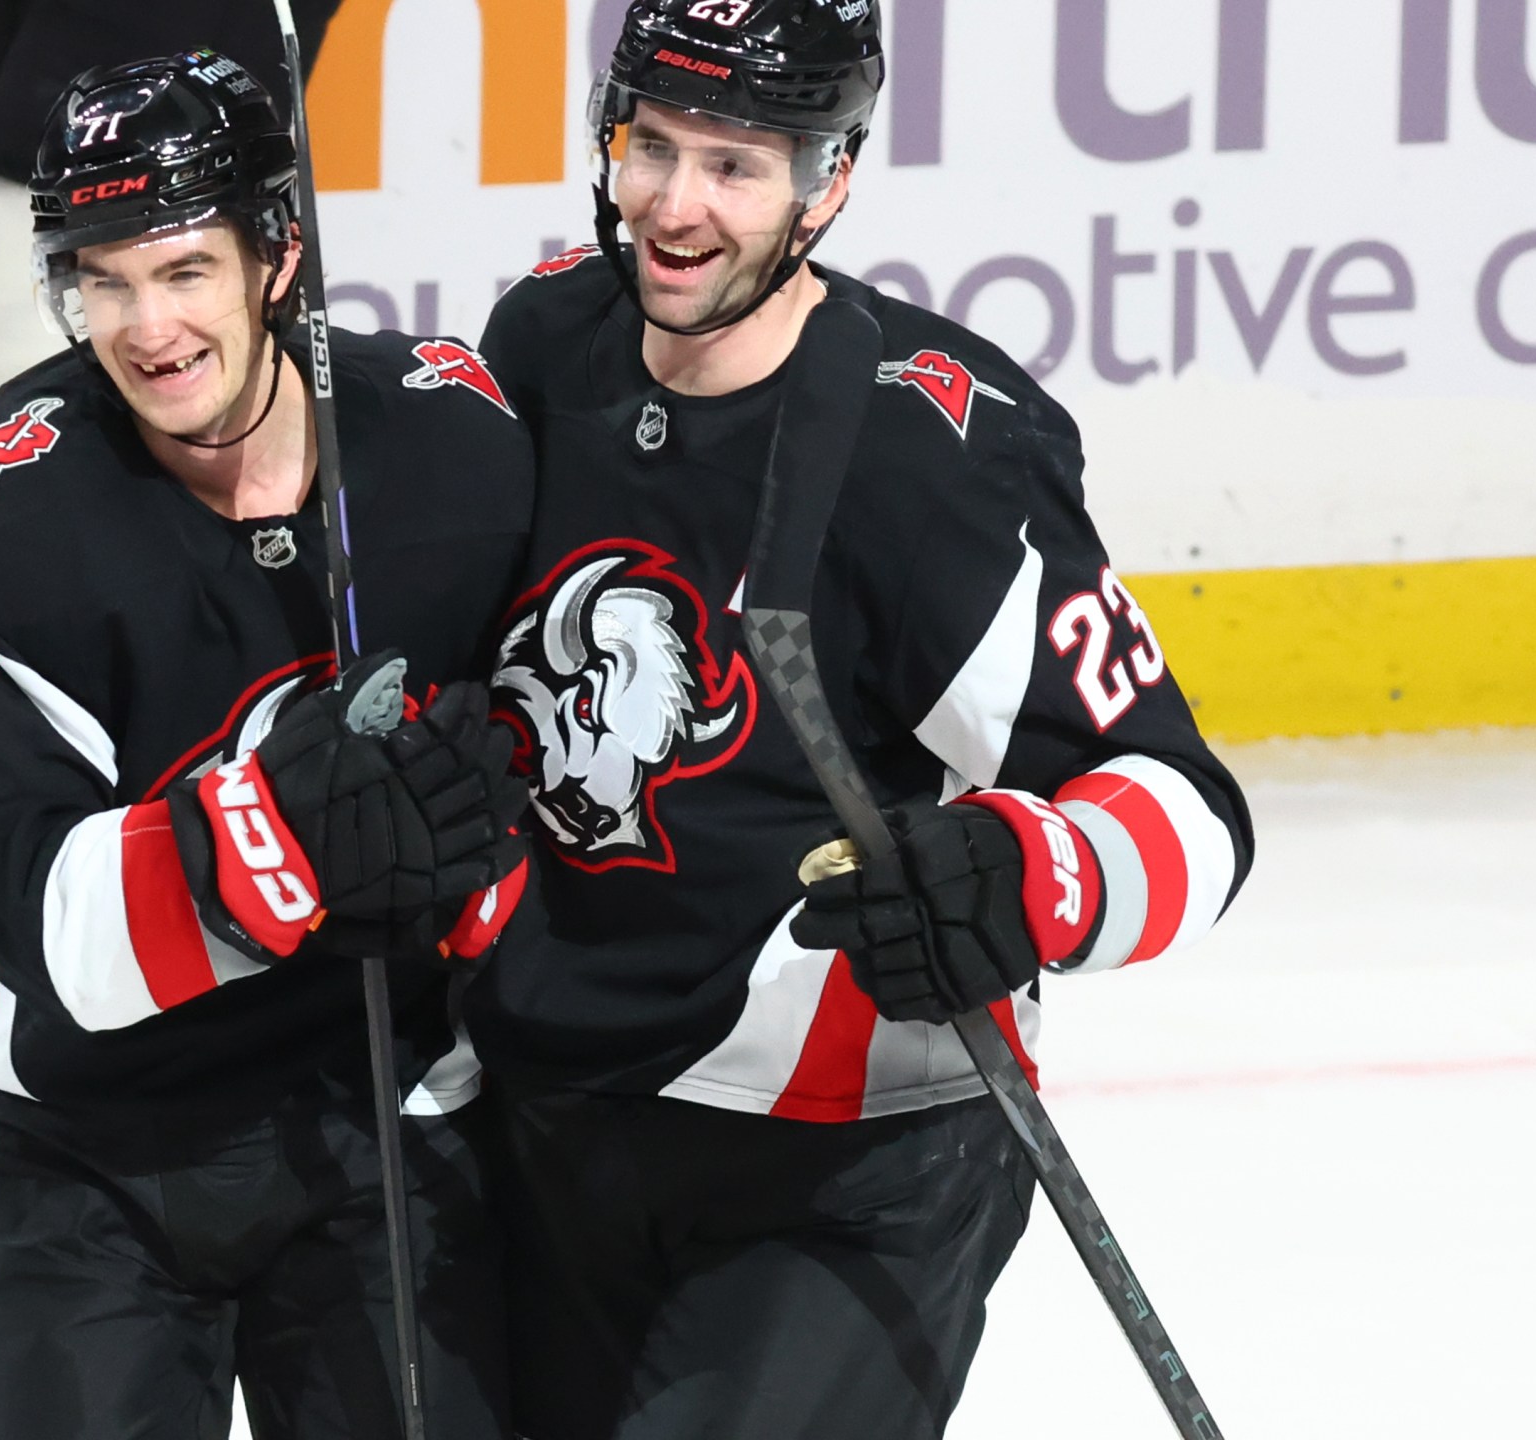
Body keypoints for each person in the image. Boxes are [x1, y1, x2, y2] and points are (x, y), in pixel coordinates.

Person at [467, 3, 1256, 1437]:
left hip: (845, 1161)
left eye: (734, 165)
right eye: (650, 146)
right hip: (552, 1113)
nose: (674, 205)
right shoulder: (542, 348)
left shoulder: (929, 450)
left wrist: (1030, 875)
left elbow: (1189, 807)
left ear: (828, 186)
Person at [0, 52, 530, 1439]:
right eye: (101, 279)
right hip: (78, 1152)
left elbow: (537, 772)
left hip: (384, 1115)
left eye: (183, 270)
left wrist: (483, 857)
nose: (143, 326)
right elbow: (28, 920)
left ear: (278, 253)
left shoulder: (454, 441)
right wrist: (283, 847)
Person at [0, 0, 343, 960]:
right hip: (125, 106)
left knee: (78, 467)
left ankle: (18, 803)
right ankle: (105, 794)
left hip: (113, 111)